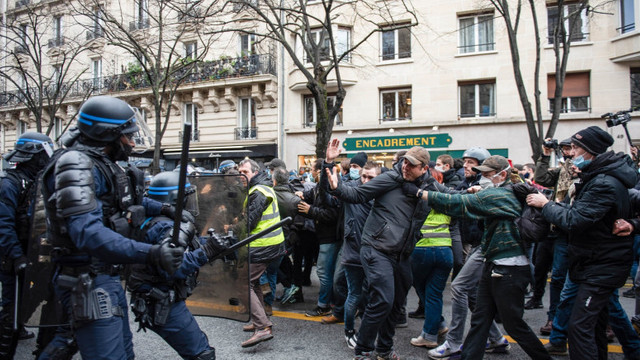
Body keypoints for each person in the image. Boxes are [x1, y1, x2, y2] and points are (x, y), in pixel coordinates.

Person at [40, 96, 186, 359]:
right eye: (127, 136)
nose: (131, 143)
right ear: (107, 135)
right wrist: (151, 252)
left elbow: (128, 198)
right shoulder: (77, 164)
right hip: (87, 278)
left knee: (123, 353)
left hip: (106, 276)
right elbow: (88, 233)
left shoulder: (102, 164)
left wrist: (165, 209)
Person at [412, 155, 551, 360]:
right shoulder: (498, 191)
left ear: (502, 174)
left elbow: (458, 203)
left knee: (513, 325)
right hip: (493, 262)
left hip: (508, 268)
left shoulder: (501, 195)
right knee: (481, 318)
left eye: (486, 174)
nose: (482, 178)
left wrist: (420, 193)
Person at [527, 126, 637, 360]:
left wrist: (546, 204)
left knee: (579, 328)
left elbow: (575, 220)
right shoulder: (598, 177)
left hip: (601, 263)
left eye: (575, 148)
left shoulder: (604, 182)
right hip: (590, 261)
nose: (570, 153)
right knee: (596, 323)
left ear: (590, 151)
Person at [325, 140, 434, 360]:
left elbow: (451, 198)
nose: (405, 166)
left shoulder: (428, 187)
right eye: (404, 162)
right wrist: (334, 180)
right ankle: (363, 349)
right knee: (381, 299)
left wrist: (478, 191)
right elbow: (356, 195)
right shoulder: (390, 178)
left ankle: (384, 349)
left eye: (412, 165)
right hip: (375, 249)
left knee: (396, 305)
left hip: (402, 253)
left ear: (424, 169)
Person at [128, 171, 227, 360]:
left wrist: (211, 243)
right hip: (160, 300)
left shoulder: (151, 219)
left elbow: (183, 248)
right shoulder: (167, 227)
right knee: (201, 354)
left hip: (153, 297)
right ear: (175, 200)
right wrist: (206, 253)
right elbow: (174, 266)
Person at [0, 132, 53, 355]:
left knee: (32, 297)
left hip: (30, 253)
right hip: (12, 256)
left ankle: (19, 326)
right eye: (44, 154)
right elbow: (3, 225)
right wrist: (17, 257)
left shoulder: (36, 182)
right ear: (33, 155)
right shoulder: (9, 184)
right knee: (12, 303)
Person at [237, 158, 286, 347]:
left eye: (245, 172)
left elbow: (249, 223)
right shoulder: (260, 188)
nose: (242, 176)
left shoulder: (258, 192)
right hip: (267, 244)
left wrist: (230, 228)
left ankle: (263, 328)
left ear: (255, 172)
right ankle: (261, 320)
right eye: (240, 172)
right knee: (254, 282)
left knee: (244, 284)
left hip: (263, 245)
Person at [529, 138, 573, 333]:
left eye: (571, 149)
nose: (568, 153)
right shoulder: (562, 170)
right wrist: (545, 155)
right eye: (564, 149)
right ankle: (550, 316)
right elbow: (541, 177)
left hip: (570, 229)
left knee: (563, 278)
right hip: (552, 227)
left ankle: (557, 320)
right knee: (543, 269)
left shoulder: (586, 172)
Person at [321, 151, 368, 325]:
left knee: (365, 287)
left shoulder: (375, 188)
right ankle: (341, 312)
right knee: (339, 281)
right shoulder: (349, 186)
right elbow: (330, 189)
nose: (353, 170)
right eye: (353, 166)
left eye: (356, 167)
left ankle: (363, 320)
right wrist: (328, 163)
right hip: (349, 241)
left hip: (369, 244)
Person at [299, 159, 341, 318]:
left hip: (329, 237)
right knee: (326, 272)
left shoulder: (329, 189)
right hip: (323, 236)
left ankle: (324, 305)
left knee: (324, 273)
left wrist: (311, 211)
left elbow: (331, 215)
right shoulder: (318, 187)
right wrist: (302, 194)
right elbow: (311, 195)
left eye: (312, 169)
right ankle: (329, 303)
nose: (310, 171)